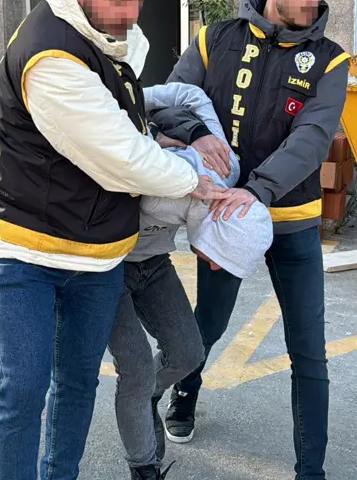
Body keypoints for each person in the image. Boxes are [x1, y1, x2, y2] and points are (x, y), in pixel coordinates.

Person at [0, 0, 227, 480]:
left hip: (97, 253)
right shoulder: (51, 53)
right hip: (27, 250)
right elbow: (121, 156)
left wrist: (179, 134)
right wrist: (192, 181)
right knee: (22, 388)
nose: (132, 13)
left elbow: (131, 120)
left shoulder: (102, 37)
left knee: (78, 383)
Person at [164, 0, 352, 480]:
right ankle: (183, 393)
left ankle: (310, 471)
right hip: (224, 219)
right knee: (208, 325)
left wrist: (259, 190)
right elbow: (170, 100)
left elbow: (312, 140)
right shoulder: (214, 39)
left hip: (291, 221)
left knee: (308, 350)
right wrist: (196, 134)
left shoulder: (330, 59)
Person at [108, 82, 274, 480]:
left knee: (188, 352)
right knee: (135, 369)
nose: (213, 269)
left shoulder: (226, 168)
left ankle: (147, 396)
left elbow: (193, 99)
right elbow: (119, 147)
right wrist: (140, 106)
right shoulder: (163, 195)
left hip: (151, 261)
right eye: (219, 260)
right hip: (104, 266)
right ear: (213, 235)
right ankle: (145, 468)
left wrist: (193, 132)